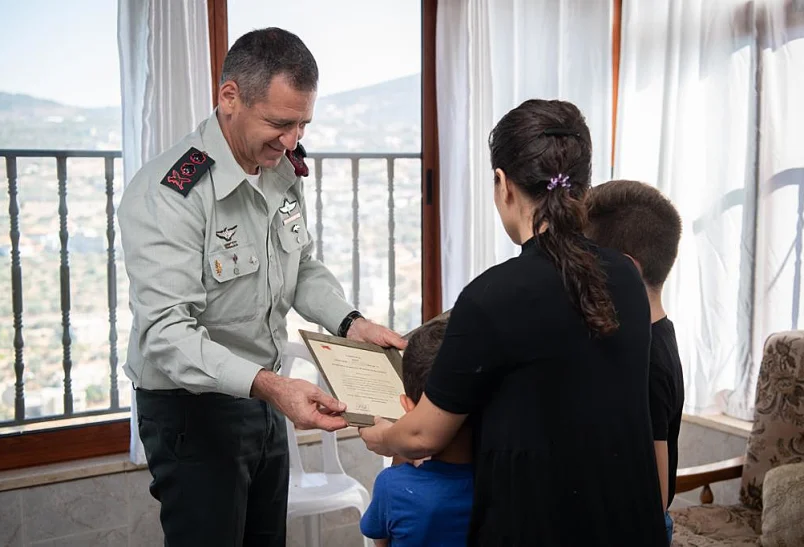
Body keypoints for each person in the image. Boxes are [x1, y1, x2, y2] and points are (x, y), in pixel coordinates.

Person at [118, 27, 405, 547]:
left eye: (302, 123)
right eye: (279, 122)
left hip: (266, 399)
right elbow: (167, 334)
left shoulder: (278, 170)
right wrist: (273, 387)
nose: (293, 140)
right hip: (193, 411)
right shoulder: (170, 194)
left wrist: (350, 322)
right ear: (229, 97)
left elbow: (302, 265)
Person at [359, 99, 667, 546]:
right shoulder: (624, 275)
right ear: (582, 185)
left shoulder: (492, 297)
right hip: (629, 527)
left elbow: (424, 433)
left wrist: (385, 437)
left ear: (503, 185)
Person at [585, 179, 685, 544]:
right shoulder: (645, 339)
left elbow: (653, 497)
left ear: (625, 268)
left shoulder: (649, 362)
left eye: (587, 261)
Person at [360, 315, 473, 547]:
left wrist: (400, 444)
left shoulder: (392, 487)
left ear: (407, 406)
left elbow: (381, 543)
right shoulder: (507, 480)